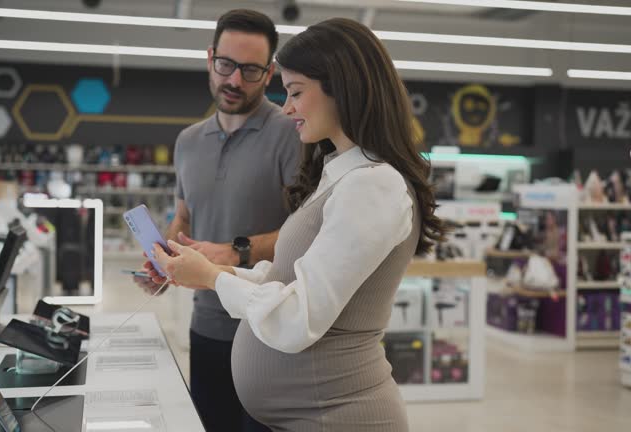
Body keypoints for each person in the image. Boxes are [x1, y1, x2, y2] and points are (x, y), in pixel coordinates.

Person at [148, 17, 446, 432]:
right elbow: (289, 279)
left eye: (296, 93)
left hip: (338, 418)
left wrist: (216, 279)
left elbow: (298, 317)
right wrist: (214, 272)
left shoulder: (372, 185)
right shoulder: (340, 172)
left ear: (342, 89)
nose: (286, 108)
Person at [133, 9, 301, 432]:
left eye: (250, 70)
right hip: (205, 325)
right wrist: (164, 259)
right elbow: (185, 214)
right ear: (210, 57)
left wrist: (235, 251)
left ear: (270, 73)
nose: (234, 81)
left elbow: (308, 231)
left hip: (268, 328)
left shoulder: (293, 134)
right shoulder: (188, 141)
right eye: (226, 65)